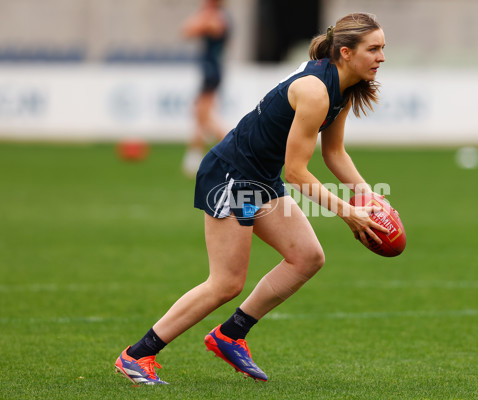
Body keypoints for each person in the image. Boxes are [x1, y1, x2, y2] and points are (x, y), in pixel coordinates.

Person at [115, 12, 389, 385]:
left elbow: (334, 153)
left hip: (258, 180)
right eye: (373, 49)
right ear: (345, 51)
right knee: (226, 282)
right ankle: (137, 355)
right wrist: (348, 213)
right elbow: (296, 173)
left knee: (307, 257)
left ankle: (230, 335)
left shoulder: (343, 88)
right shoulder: (315, 90)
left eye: (382, 49)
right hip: (231, 177)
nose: (381, 57)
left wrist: (367, 194)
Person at [181, 0, 230, 178]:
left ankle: (231, 146)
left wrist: (204, 14)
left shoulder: (218, 18)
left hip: (212, 70)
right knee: (200, 114)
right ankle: (195, 154)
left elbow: (189, 29)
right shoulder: (216, 16)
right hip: (210, 70)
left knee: (204, 115)